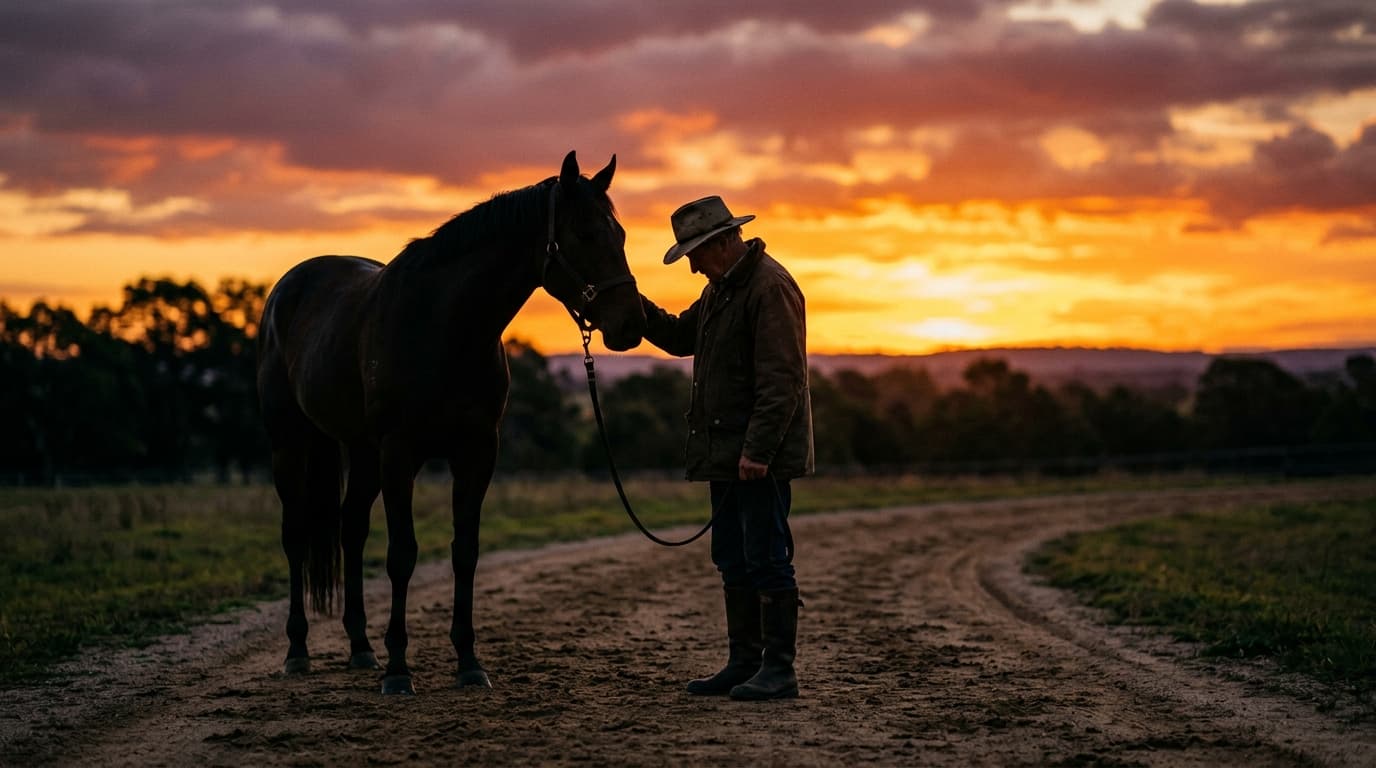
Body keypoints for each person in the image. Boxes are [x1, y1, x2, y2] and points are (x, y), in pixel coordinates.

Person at [639, 195, 814, 700]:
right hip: (726, 455)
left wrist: (757, 452)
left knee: (766, 556)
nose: (691, 265)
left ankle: (779, 671)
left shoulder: (769, 287)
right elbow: (677, 336)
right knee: (732, 557)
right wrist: (633, 307)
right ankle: (744, 663)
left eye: (694, 252)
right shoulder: (723, 288)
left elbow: (782, 382)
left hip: (757, 459)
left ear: (722, 241)